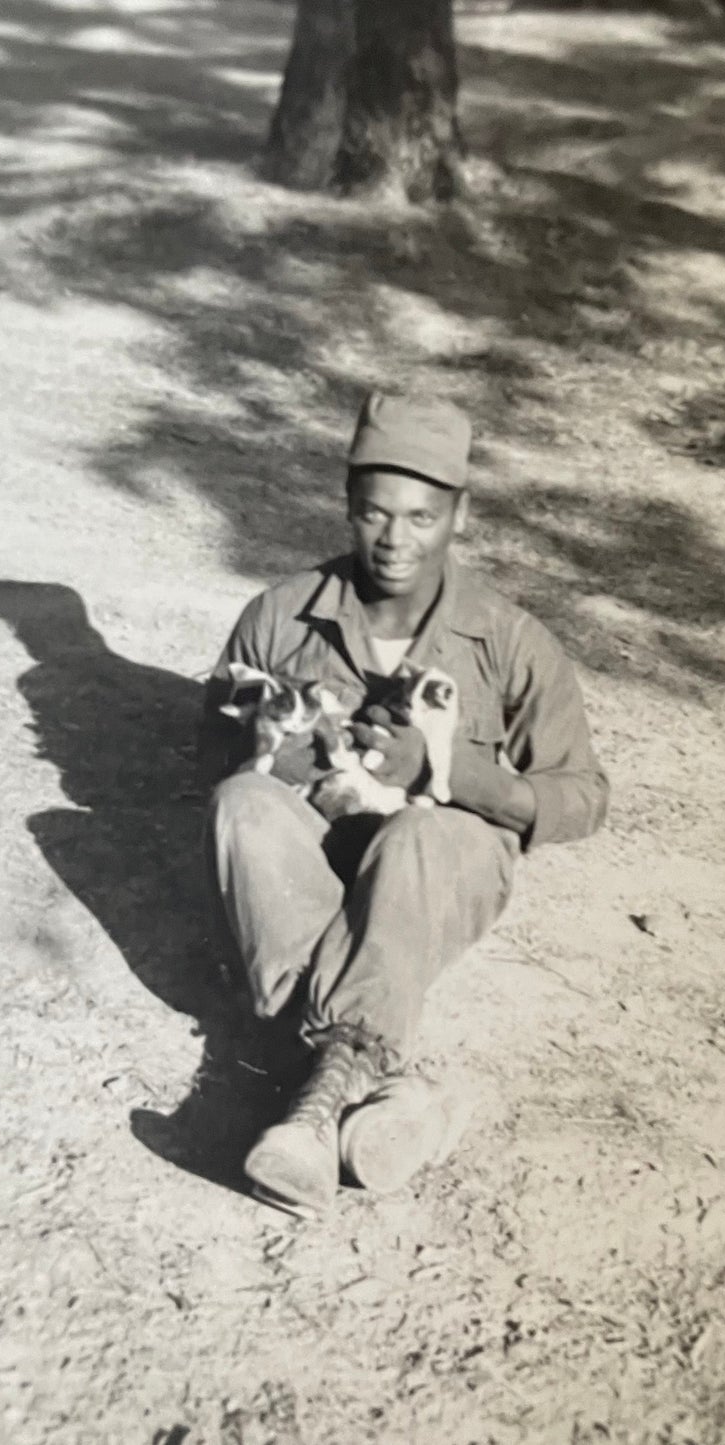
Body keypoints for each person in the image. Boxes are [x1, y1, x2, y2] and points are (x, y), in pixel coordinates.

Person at [198, 391, 609, 1219]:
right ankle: (401, 1094)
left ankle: (310, 1112)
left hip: (440, 860)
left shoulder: (511, 641)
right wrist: (274, 746)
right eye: (374, 515)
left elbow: (582, 797)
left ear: (460, 514)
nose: (394, 541)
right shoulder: (282, 613)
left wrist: (447, 769)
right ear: (348, 508)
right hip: (320, 850)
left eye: (421, 518)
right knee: (242, 803)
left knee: (420, 833)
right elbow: (209, 744)